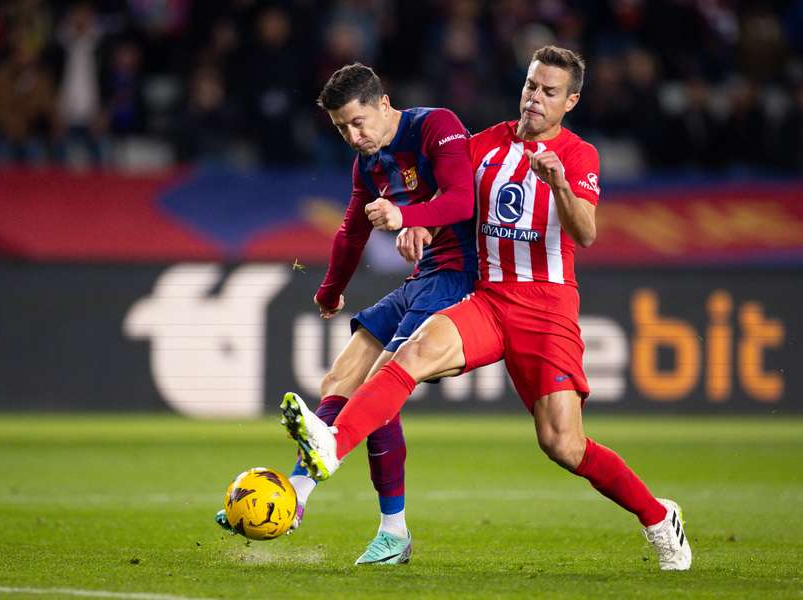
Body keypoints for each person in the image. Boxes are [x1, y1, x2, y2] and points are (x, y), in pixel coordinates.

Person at [281, 46, 692, 571]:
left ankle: (658, 517)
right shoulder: (484, 145)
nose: (534, 99)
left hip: (547, 308)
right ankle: (330, 446)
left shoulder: (579, 155)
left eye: (548, 92)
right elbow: (451, 197)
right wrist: (419, 224)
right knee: (408, 357)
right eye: (530, 86)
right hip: (489, 298)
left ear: (571, 101)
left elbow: (585, 233)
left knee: (563, 444)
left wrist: (559, 184)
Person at [220, 63, 477, 566]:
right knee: (340, 376)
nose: (353, 135)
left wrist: (408, 215)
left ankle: (393, 532)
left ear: (384, 103)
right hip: (423, 278)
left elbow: (464, 200)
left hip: (462, 279)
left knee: (379, 391)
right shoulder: (369, 165)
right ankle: (294, 498)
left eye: (359, 122)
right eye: (341, 128)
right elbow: (351, 232)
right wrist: (330, 291)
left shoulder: (435, 126)